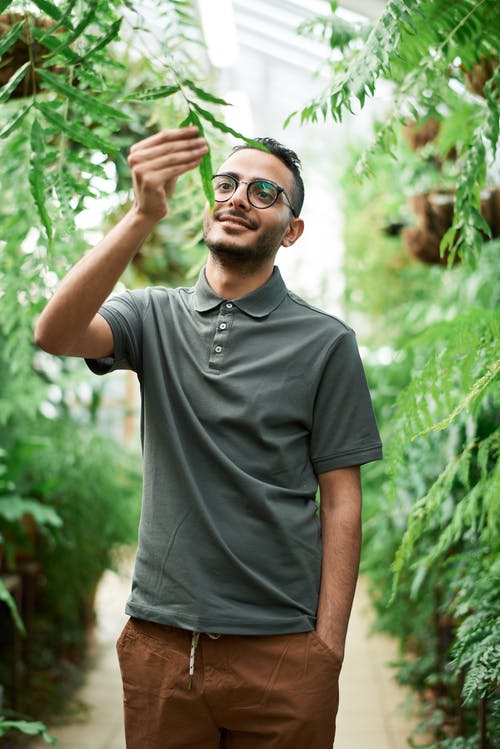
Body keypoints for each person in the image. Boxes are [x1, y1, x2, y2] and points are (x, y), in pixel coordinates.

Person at [35, 126, 383, 749]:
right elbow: (56, 333)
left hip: (282, 647)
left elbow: (342, 499)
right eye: (226, 184)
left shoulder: (326, 343)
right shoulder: (151, 315)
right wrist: (143, 213)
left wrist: (327, 647)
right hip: (163, 645)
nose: (238, 197)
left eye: (264, 191)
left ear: (291, 229)